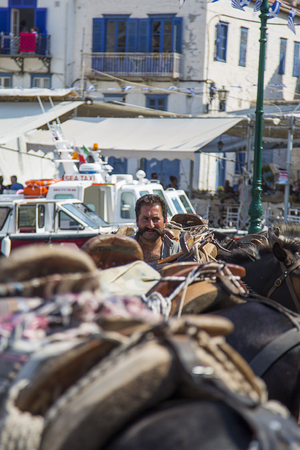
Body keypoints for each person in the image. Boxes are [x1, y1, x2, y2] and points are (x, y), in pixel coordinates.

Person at [133, 194, 181, 268]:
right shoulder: (122, 249)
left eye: (156, 219)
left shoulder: (178, 251)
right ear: (137, 221)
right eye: (145, 219)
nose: (151, 225)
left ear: (165, 221)